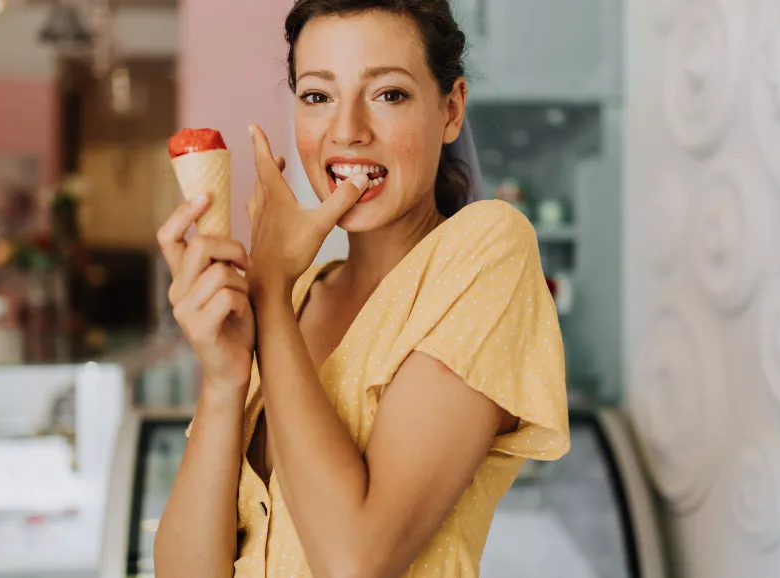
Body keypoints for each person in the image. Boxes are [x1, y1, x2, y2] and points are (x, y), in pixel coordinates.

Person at [153, 1, 569, 576]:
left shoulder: (488, 249)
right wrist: (225, 381)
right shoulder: (299, 299)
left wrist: (269, 289)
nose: (347, 131)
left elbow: (356, 561)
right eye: (318, 97)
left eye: (388, 94)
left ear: (450, 110)